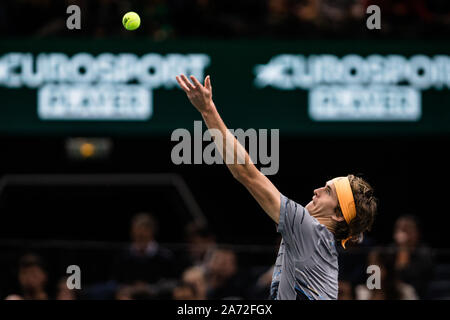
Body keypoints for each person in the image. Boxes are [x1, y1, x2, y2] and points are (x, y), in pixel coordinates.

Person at [175, 74, 378, 300]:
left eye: (328, 191)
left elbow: (246, 172)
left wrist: (207, 110)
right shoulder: (322, 248)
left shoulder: (310, 230)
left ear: (339, 214)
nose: (316, 191)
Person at [112, 212, 177, 285]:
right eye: (137, 234)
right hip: (127, 294)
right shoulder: (123, 255)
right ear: (132, 233)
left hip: (158, 294)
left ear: (153, 232)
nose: (140, 235)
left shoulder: (165, 256)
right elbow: (115, 281)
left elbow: (173, 282)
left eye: (144, 235)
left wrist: (151, 289)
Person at [391, 215, 433, 298]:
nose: (401, 234)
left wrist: (403, 248)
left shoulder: (425, 253)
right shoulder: (389, 251)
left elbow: (413, 282)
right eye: (399, 229)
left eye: (406, 230)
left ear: (417, 232)